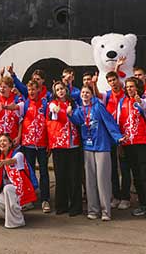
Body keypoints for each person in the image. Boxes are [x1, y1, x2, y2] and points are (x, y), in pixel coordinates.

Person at [70, 83, 123, 221]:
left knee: (102, 180)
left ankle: (106, 211)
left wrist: (118, 137)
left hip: (102, 147)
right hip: (88, 147)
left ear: (92, 94)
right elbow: (76, 120)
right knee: (90, 180)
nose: (85, 95)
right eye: (83, 93)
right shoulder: (80, 109)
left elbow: (109, 122)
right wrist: (69, 114)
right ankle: (93, 210)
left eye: (87, 93)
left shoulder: (98, 107)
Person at [114, 76, 146, 224]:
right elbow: (119, 122)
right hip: (128, 144)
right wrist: (120, 143)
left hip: (142, 143)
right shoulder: (122, 102)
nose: (129, 89)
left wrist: (139, 101)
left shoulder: (143, 101)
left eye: (132, 86)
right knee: (136, 176)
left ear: (137, 88)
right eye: (127, 87)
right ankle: (143, 205)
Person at [47, 81, 83, 216]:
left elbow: (79, 119)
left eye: (62, 88)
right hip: (59, 145)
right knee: (60, 176)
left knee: (74, 177)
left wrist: (70, 113)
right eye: (57, 89)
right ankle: (61, 205)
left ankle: (76, 207)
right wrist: (60, 111)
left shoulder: (73, 103)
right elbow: (52, 118)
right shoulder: (52, 104)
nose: (60, 91)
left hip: (73, 145)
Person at [18, 78, 51, 213]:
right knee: (28, 173)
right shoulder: (25, 104)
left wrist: (49, 143)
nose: (31, 92)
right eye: (29, 89)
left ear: (39, 89)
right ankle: (30, 200)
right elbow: (20, 122)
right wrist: (20, 138)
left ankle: (45, 200)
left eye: (34, 89)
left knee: (44, 172)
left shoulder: (45, 104)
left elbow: (49, 124)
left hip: (42, 144)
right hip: (28, 144)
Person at [0, 133, 37, 228]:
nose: (2, 143)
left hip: (20, 190)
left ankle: (17, 221)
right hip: (9, 192)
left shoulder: (19, 154)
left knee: (8, 188)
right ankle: (13, 217)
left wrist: (3, 162)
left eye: (4, 141)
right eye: (0, 141)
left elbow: (13, 161)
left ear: (10, 144)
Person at [101, 67, 131, 209]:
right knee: (113, 168)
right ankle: (116, 195)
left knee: (125, 168)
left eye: (114, 79)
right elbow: (96, 95)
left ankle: (125, 197)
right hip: (111, 136)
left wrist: (117, 68)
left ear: (119, 80)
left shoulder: (126, 94)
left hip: (124, 135)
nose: (112, 82)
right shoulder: (107, 95)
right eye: (110, 81)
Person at [0, 72, 24, 140]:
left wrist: (19, 137)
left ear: (10, 88)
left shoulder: (17, 100)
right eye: (1, 87)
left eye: (4, 87)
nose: (2, 89)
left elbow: (21, 121)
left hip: (12, 140)